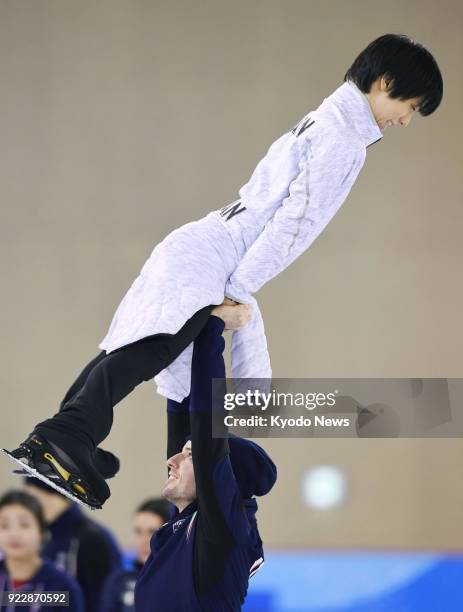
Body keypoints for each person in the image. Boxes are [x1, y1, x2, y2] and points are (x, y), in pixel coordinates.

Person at [2, 33, 443, 509]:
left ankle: (70, 441)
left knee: (143, 349)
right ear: (385, 81)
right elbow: (295, 225)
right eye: (411, 105)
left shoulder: (321, 120)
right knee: (154, 349)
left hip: (202, 243)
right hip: (217, 256)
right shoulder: (343, 140)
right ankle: (66, 440)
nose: (406, 119)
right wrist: (238, 289)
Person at [134, 311, 277, 611]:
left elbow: (206, 414)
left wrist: (212, 327)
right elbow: (185, 407)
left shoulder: (221, 532)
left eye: (188, 455)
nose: (171, 461)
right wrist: (188, 325)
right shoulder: (186, 525)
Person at [23, 478, 123, 612]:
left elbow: (106, 600)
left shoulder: (91, 538)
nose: (30, 508)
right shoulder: (49, 539)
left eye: (33, 498)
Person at [0, 490, 84, 611]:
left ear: (41, 532)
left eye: (24, 525)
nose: (14, 534)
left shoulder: (62, 587)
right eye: (4, 525)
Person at [100, 498, 171, 612]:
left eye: (152, 532)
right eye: (138, 531)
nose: (143, 541)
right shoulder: (119, 580)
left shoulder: (182, 580)